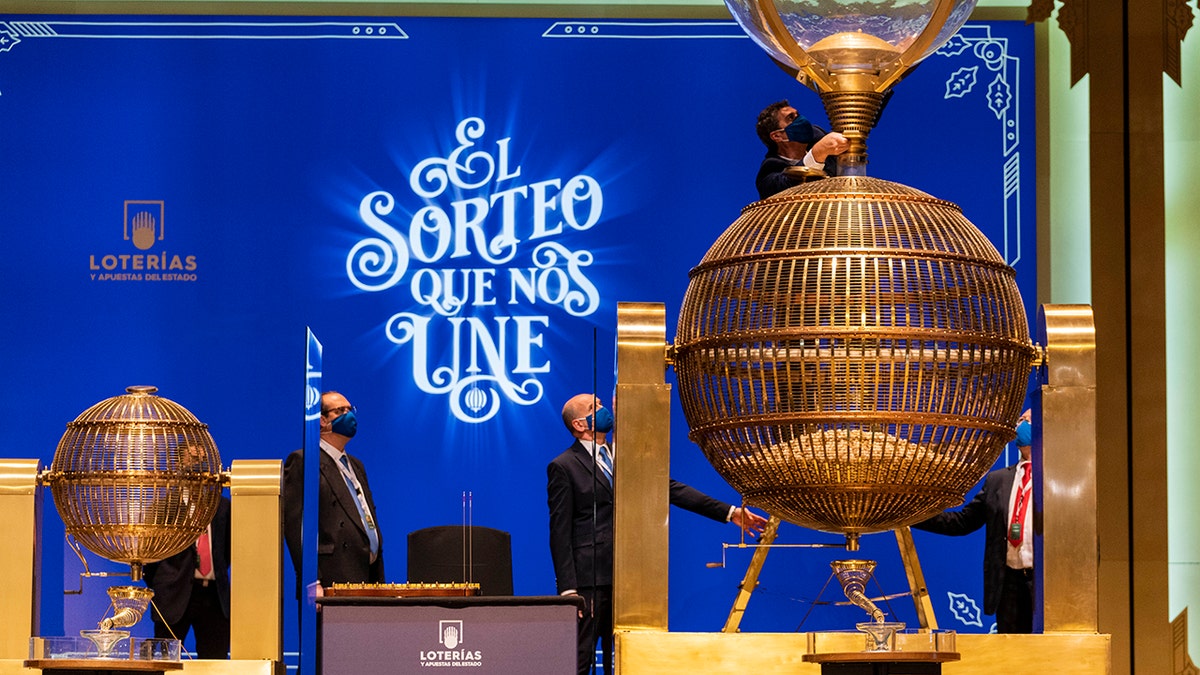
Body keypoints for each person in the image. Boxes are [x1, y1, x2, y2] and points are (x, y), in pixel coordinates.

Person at [547, 393, 768, 675]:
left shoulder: (623, 455)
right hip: (590, 581)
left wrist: (730, 512)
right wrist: (569, 591)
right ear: (579, 424)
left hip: (631, 577)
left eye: (601, 404)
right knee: (582, 659)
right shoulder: (563, 466)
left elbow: (669, 488)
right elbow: (559, 531)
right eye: (595, 407)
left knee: (629, 656)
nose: (602, 410)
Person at [912, 410, 1036, 633]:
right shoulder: (998, 480)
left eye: (1027, 421)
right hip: (1008, 585)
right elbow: (961, 522)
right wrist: (910, 514)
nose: (1021, 425)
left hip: (1044, 584)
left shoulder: (1058, 478)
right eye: (1020, 420)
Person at [283, 391, 385, 590]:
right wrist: (312, 582)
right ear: (322, 421)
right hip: (331, 580)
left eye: (350, 409)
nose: (349, 416)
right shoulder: (305, 462)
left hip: (369, 575)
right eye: (340, 411)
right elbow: (296, 527)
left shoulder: (356, 465)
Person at [143, 444, 232, 659]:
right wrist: (164, 583)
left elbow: (228, 552)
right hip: (173, 595)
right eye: (193, 459)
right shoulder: (163, 507)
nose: (198, 466)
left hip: (214, 598)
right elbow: (148, 554)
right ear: (178, 464)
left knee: (215, 663)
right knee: (165, 663)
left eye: (203, 460)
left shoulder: (222, 506)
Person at [754, 99, 850, 199]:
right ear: (777, 136)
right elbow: (787, 188)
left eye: (798, 115)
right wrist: (817, 153)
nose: (801, 120)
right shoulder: (769, 171)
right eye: (790, 118)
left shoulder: (818, 137)